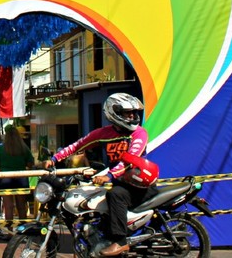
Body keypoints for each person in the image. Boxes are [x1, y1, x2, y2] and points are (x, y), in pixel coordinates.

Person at [44, 93, 157, 257]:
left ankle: (120, 241)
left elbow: (129, 161)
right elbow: (78, 145)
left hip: (139, 184)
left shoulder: (139, 134)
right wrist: (54, 159)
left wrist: (109, 176)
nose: (132, 116)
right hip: (120, 182)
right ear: (114, 113)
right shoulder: (104, 134)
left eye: (134, 112)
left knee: (115, 195)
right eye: (127, 113)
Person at [0, 125, 36, 227]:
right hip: (21, 177)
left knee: (8, 206)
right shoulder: (24, 148)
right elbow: (30, 163)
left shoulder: (1, 149)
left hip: (5, 177)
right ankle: (22, 229)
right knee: (21, 206)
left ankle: (9, 230)